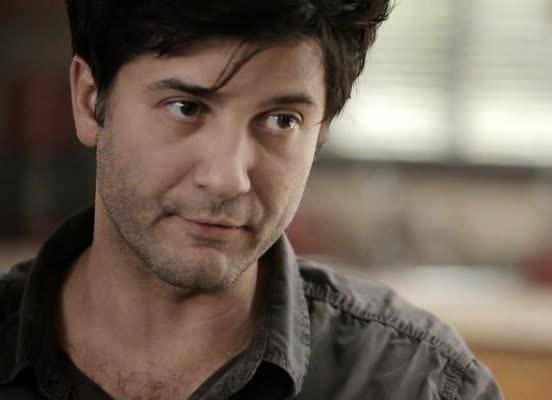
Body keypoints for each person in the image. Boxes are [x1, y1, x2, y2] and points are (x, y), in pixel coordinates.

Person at [0, 1, 502, 399]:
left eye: (282, 120)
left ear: (321, 132)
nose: (228, 179)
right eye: (186, 107)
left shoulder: (419, 385)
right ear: (91, 101)